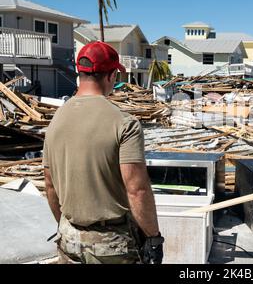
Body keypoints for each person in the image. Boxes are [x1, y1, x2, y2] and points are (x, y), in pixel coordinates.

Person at [43, 41, 163, 264]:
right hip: (112, 246)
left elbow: (50, 185)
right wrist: (153, 238)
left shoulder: (55, 121)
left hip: (68, 240)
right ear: (111, 76)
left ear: (80, 73)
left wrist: (66, 226)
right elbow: (137, 190)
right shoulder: (124, 123)